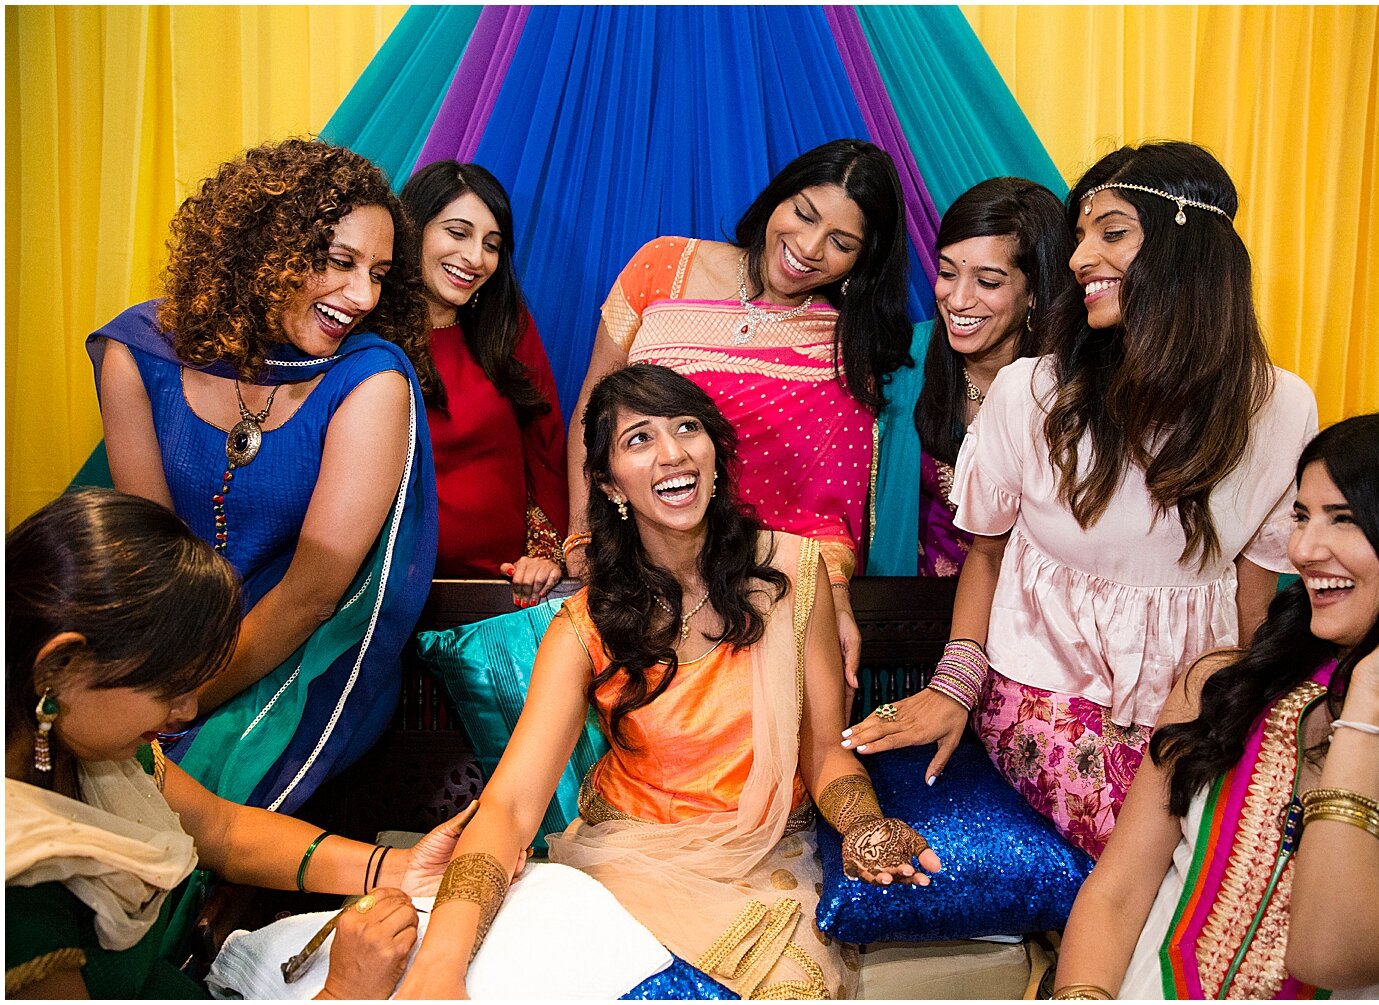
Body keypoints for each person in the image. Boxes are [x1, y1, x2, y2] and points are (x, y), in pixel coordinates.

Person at [395, 365, 941, 999]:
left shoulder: (793, 575)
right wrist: (439, 968)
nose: (673, 453)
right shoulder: (584, 628)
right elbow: (511, 808)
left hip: (768, 863)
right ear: (608, 483)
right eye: (639, 439)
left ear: (715, 453)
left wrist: (867, 829)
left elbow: (821, 752)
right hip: (627, 865)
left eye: (688, 428)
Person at [843, 142, 1319, 859]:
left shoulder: (1282, 404)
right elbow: (987, 554)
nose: (1078, 257)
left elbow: (1255, 601)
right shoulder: (1032, 392)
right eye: (1081, 234)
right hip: (1043, 692)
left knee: (1269, 844)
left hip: (1195, 696)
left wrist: (1254, 730)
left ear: (1189, 249)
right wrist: (954, 685)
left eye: (1113, 232)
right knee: (1169, 858)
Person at [1052, 408, 1379, 999]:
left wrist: (1372, 696)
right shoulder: (1228, 686)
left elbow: (1331, 951)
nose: (1305, 549)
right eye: (1302, 516)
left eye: (1346, 520)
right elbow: (1116, 894)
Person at [5, 489, 487, 999]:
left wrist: (398, 867)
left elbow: (225, 831)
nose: (187, 711)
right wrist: (346, 990)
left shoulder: (91, 749)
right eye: (168, 689)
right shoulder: (18, 891)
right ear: (59, 669)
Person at [86, 138, 438, 813]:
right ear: (264, 248)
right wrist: (148, 689)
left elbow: (310, 598)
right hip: (169, 649)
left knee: (177, 811)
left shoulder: (371, 378)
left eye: (380, 273)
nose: (363, 295)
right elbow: (153, 564)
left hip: (303, 664)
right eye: (340, 262)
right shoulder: (136, 353)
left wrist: (179, 702)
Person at [565, 139, 914, 688]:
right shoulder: (663, 266)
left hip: (752, 604)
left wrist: (834, 601)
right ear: (776, 198)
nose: (808, 246)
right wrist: (582, 542)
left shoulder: (844, 349)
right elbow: (593, 412)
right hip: (628, 575)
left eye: (841, 242)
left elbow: (828, 508)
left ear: (861, 261)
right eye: (802, 214)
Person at [400, 161, 568, 600]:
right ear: (413, 228)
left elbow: (544, 441)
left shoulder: (505, 325)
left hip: (506, 593)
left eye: (491, 245)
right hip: (393, 597)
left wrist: (547, 554)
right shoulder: (371, 338)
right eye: (458, 233)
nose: (475, 258)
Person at [911, 178, 1070, 577]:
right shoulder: (904, 366)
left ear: (1035, 290)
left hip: (1033, 620)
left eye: (988, 282)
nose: (959, 300)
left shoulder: (1068, 388)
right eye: (948, 273)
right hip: (908, 612)